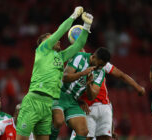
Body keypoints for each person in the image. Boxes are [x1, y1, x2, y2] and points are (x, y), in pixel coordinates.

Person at [16, 6, 94, 140]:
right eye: (51, 38)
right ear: (44, 43)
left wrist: (86, 26)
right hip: (34, 100)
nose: (57, 40)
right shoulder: (42, 50)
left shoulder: (60, 57)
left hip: (48, 104)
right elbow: (61, 31)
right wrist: (74, 16)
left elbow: (78, 44)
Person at [70, 60, 145, 140]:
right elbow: (67, 91)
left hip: (101, 107)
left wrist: (138, 87)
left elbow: (121, 75)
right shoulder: (76, 66)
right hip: (86, 110)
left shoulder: (102, 63)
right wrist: (79, 102)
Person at [51, 47, 114, 140]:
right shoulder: (79, 57)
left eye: (102, 66)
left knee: (84, 131)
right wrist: (82, 73)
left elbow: (92, 97)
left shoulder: (100, 72)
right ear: (95, 58)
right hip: (60, 94)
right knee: (59, 121)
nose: (100, 67)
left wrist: (89, 85)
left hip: (73, 100)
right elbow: (65, 77)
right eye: (100, 64)